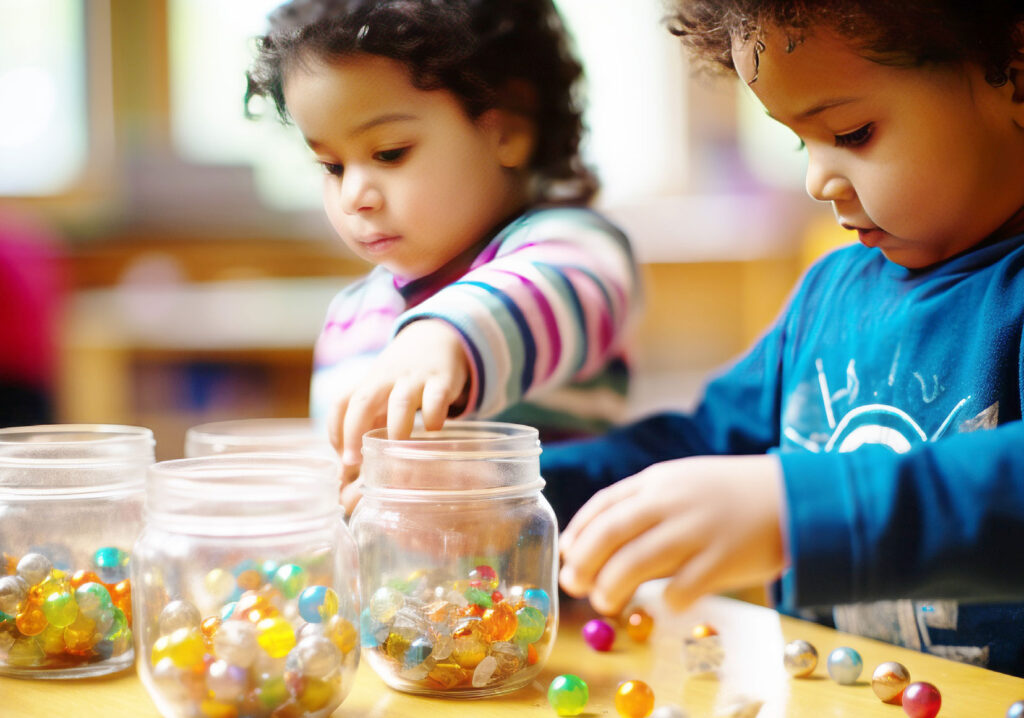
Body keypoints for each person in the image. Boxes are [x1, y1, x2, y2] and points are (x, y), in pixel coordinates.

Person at [546, 0, 1024, 676]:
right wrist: (517, 491)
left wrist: (799, 509)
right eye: (802, 141)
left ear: (1015, 70)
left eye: (852, 132)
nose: (817, 180)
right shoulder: (830, 295)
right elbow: (700, 444)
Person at [245, 0, 638, 508]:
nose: (353, 196)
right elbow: (348, 478)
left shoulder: (571, 245)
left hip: (551, 579)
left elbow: (562, 288)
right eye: (332, 166)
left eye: (389, 153)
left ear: (508, 130)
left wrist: (445, 336)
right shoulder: (348, 320)